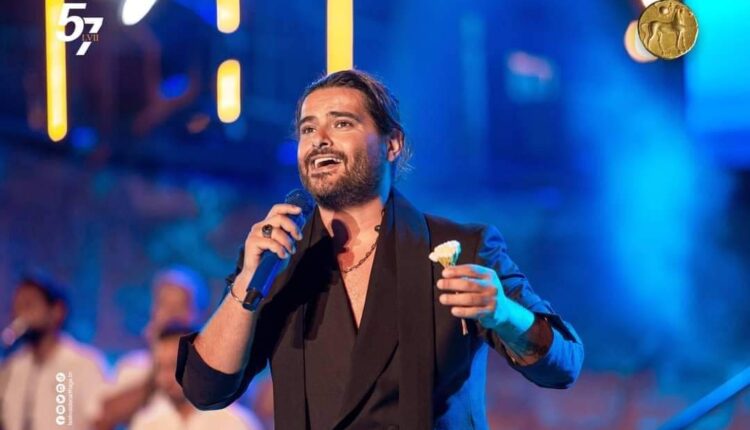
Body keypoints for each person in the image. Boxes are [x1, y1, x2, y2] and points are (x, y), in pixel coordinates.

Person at [176, 69, 584, 429]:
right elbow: (205, 388)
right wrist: (247, 281)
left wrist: (504, 314)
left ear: (392, 144)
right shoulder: (278, 260)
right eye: (307, 129)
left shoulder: (463, 247)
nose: (319, 140)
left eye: (341, 123)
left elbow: (563, 364)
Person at [95, 266, 210, 429]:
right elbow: (106, 416)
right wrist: (160, 357)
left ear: (199, 314)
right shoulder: (133, 366)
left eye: (180, 306)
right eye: (164, 305)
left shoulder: (214, 367)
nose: (172, 315)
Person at [0, 272, 108, 430]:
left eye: (29, 305)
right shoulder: (12, 367)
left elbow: (100, 420)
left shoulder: (82, 365)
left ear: (57, 311)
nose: (20, 316)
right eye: (16, 308)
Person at [129, 324, 263, 430]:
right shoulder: (146, 423)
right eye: (160, 367)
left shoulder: (234, 423)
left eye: (174, 365)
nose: (166, 377)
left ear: (195, 364)